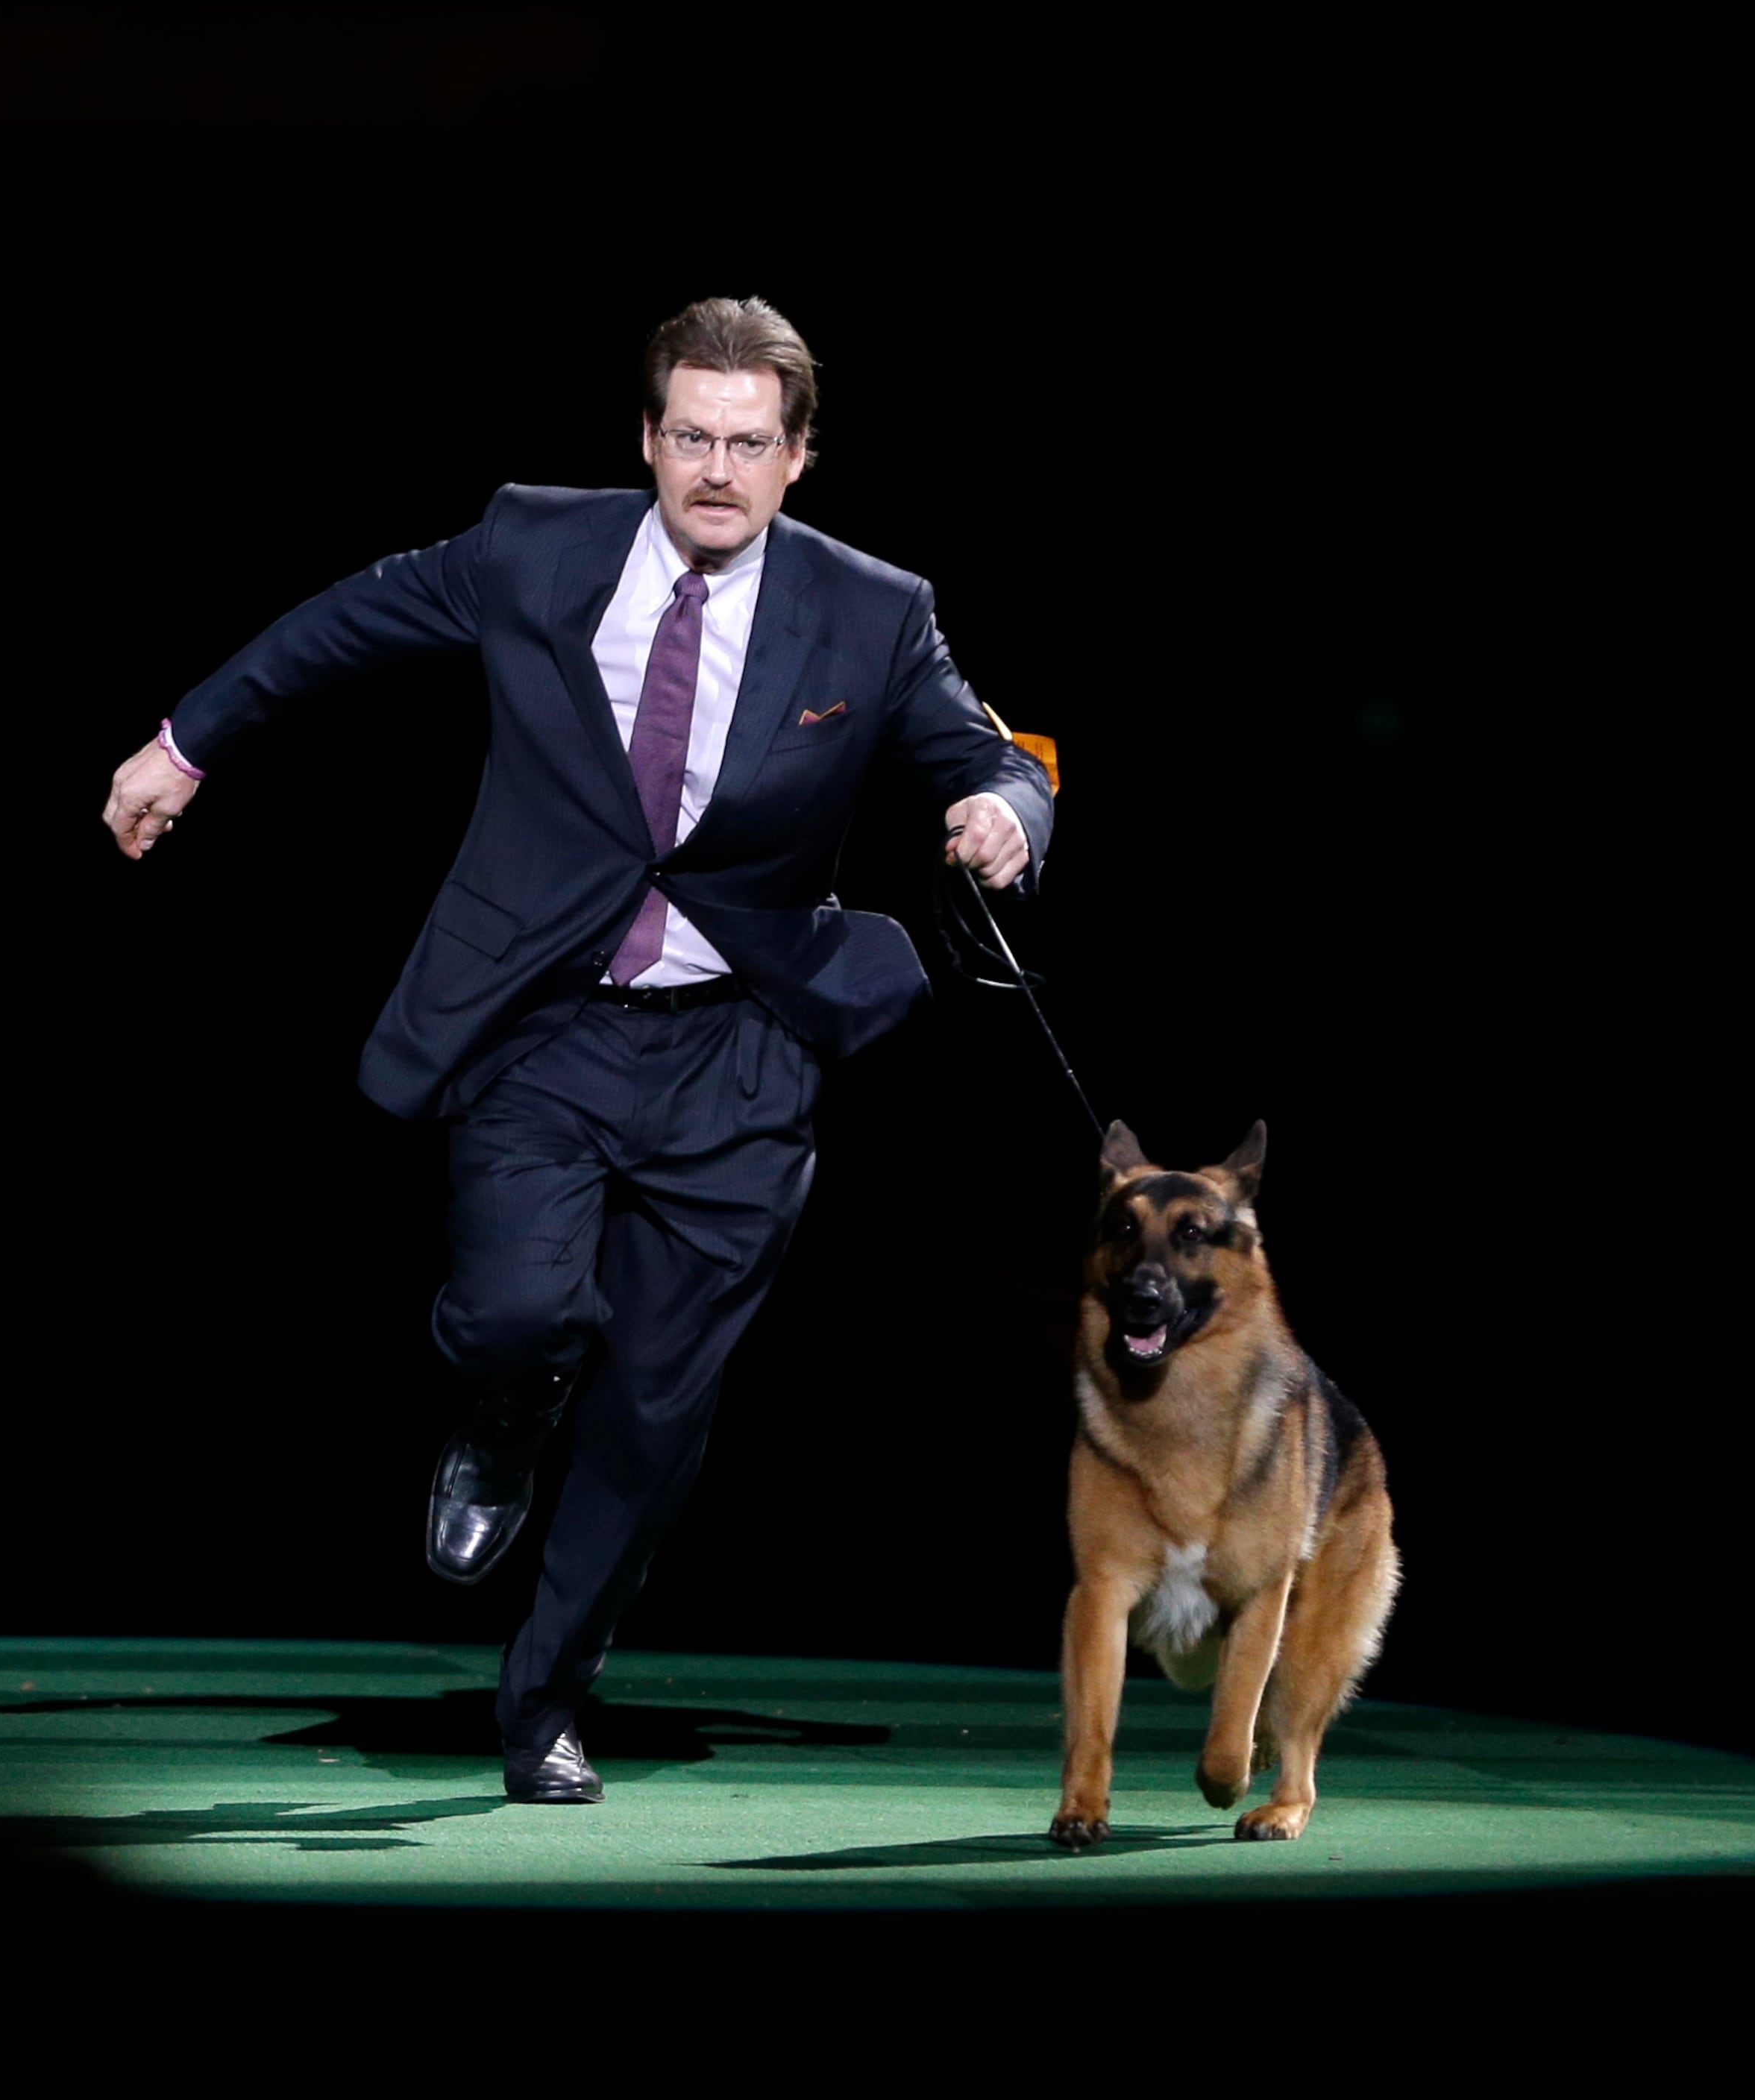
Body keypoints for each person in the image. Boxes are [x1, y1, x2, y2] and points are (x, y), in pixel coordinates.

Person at [100, 297, 1055, 1802]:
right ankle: (504, 1398)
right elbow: (349, 619)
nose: (717, 472)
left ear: (800, 457)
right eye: (692, 436)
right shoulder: (538, 548)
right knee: (510, 1315)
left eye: (751, 443)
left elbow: (996, 751)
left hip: (741, 1049)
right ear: (648, 437)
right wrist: (185, 742)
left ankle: (543, 1700)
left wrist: (1010, 811)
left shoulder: (874, 611)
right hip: (543, 1019)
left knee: (660, 1409)